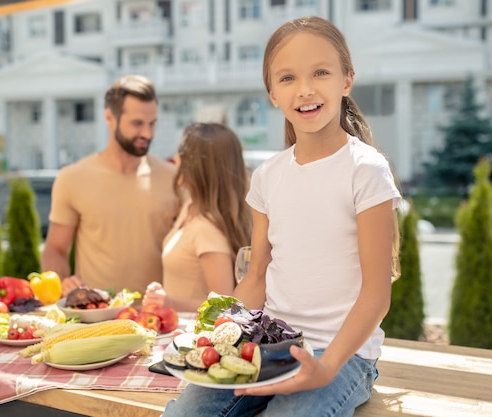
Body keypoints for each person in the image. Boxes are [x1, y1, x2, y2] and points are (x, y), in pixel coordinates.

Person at [162, 16, 401, 417]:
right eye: (287, 78)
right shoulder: (268, 176)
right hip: (269, 346)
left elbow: (377, 295)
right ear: (272, 92)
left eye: (320, 72)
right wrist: (206, 336)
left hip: (344, 357)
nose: (305, 89)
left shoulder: (366, 169)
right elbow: (256, 278)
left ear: (346, 80)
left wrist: (325, 368)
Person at [41, 74, 178, 297]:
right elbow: (55, 250)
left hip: (158, 319)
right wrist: (64, 283)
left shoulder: (173, 178)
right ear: (109, 117)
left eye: (152, 124)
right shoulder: (72, 178)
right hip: (96, 320)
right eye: (137, 123)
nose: (147, 133)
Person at [143, 122, 252, 312]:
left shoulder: (206, 229)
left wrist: (168, 302)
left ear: (198, 166)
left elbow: (224, 307)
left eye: (183, 155)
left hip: (192, 337)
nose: (176, 159)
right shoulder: (190, 206)